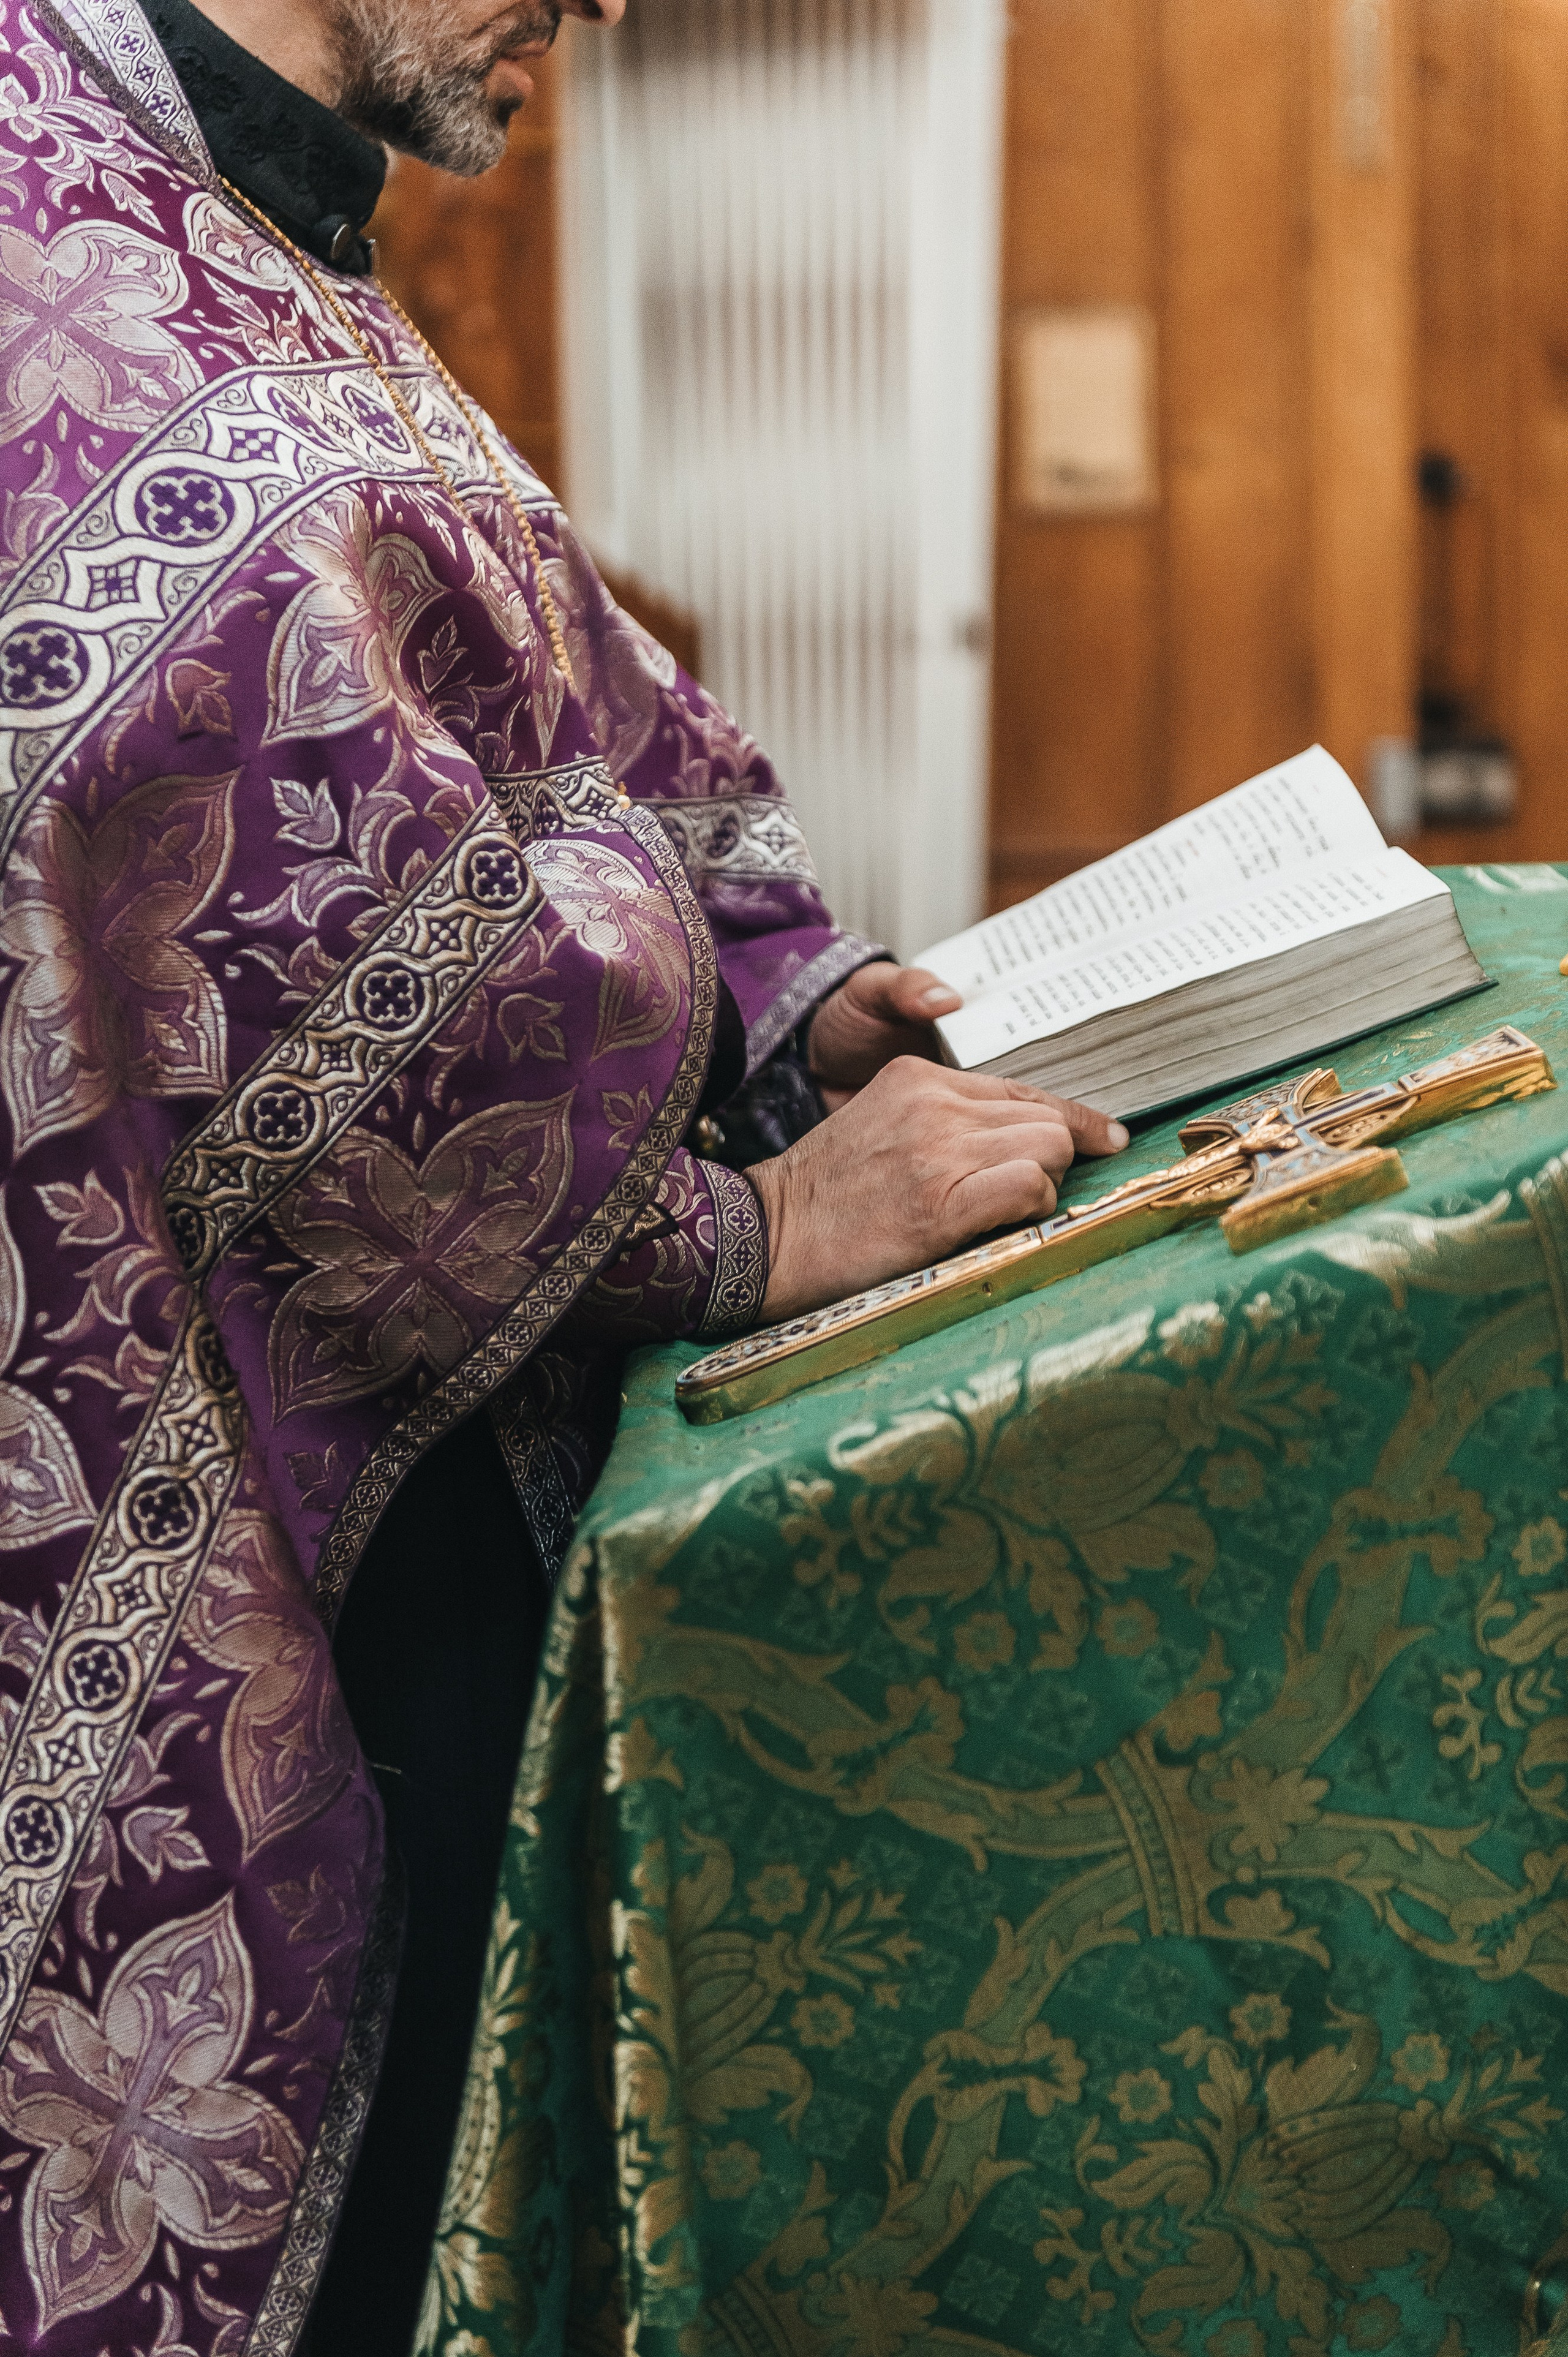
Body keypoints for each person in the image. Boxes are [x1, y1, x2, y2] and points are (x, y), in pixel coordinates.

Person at [0, 0, 1129, 2345]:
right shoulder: (50, 231)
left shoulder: (253, 209)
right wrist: (757, 1225)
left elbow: (549, 692)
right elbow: (287, 937)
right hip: (219, 1412)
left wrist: (795, 993)